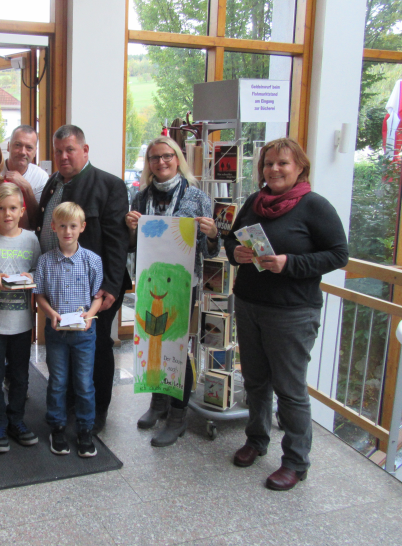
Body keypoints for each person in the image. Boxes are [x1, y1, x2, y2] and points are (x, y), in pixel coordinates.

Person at [223, 137, 348, 491]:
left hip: (292, 313)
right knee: (256, 381)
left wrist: (289, 263)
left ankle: (295, 461)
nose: (274, 169)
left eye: (283, 163)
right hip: (249, 305)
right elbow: (231, 240)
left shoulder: (314, 207)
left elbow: (339, 255)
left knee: (291, 391)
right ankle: (256, 440)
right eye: (268, 164)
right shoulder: (254, 202)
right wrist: (237, 254)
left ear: (300, 168)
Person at [34, 124, 131, 434]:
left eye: (70, 150)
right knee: (66, 344)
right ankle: (73, 402)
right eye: (59, 151)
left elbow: (117, 241)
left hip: (95, 290)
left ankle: (98, 408)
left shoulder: (109, 185)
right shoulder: (53, 183)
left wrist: (111, 286)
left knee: (98, 346)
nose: (64, 156)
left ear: (85, 150)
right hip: (58, 286)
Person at [125, 136, 220, 447]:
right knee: (153, 339)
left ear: (177, 159)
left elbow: (211, 249)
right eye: (154, 158)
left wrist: (212, 234)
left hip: (182, 284)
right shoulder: (140, 199)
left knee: (177, 345)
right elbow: (132, 246)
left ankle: (178, 415)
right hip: (150, 282)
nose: (161, 162)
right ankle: (158, 403)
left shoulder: (196, 197)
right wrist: (130, 228)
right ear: (149, 164)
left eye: (166, 156)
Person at [0, 183, 41, 453]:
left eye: (13, 208)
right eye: (1, 208)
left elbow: (40, 270)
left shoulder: (31, 240)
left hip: (22, 323)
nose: (7, 213)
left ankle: (16, 420)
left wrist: (31, 278)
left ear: (22, 210)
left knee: (20, 376)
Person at [34, 202, 103, 457]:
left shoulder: (92, 261)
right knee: (58, 381)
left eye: (73, 226)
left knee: (84, 383)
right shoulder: (45, 262)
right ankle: (58, 427)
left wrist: (91, 315)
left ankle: (85, 429)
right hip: (57, 333)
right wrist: (50, 314)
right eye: (62, 226)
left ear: (82, 227)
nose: (67, 231)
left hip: (84, 333)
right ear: (53, 227)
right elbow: (39, 295)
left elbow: (98, 296)